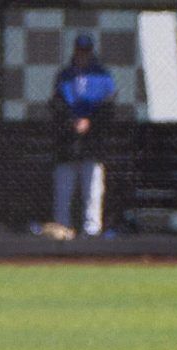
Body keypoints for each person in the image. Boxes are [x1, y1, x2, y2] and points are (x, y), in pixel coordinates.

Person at [50, 33, 115, 238]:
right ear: (75, 51)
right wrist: (72, 121)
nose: (82, 55)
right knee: (64, 187)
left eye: (86, 51)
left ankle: (92, 231)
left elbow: (108, 107)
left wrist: (90, 121)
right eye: (80, 50)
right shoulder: (65, 75)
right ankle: (63, 229)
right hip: (68, 140)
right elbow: (56, 105)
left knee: (93, 188)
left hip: (93, 140)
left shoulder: (102, 76)